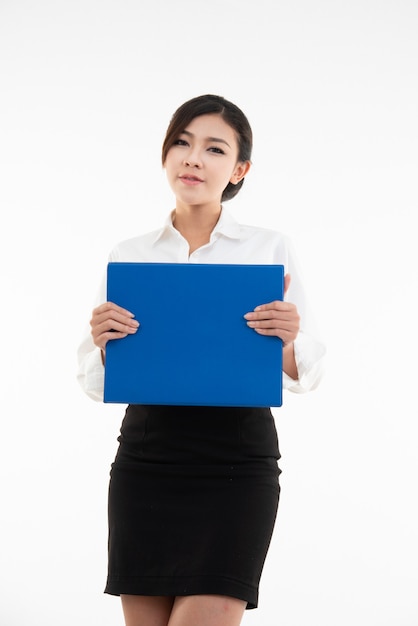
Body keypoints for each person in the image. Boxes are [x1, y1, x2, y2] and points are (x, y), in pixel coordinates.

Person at [77, 94, 325, 626]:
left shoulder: (268, 247)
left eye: (214, 148)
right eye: (182, 143)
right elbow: (96, 383)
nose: (193, 158)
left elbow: (310, 372)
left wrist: (286, 340)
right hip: (147, 460)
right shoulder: (130, 253)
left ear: (239, 169)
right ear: (165, 156)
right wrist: (102, 343)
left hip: (234, 464)